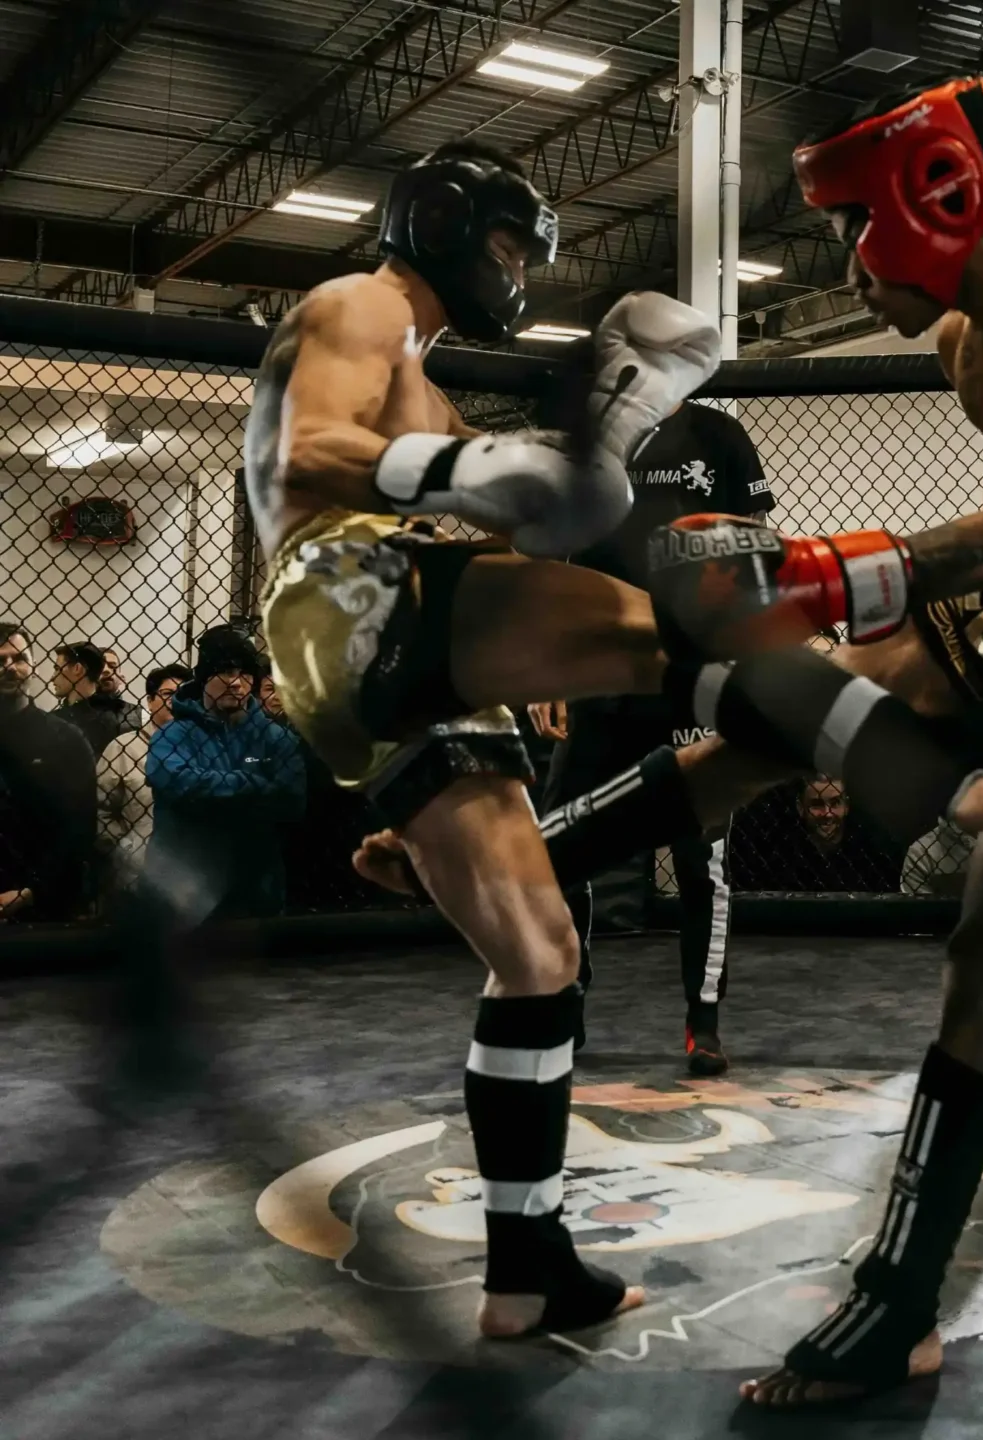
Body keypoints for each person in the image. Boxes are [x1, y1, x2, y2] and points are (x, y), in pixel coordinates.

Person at [633, 74, 983, 1408]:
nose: (844, 259)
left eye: (847, 224)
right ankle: (545, 857)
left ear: (935, 194)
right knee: (779, 719)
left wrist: (796, 573)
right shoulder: (960, 345)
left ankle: (899, 1308)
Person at [242, 136, 720, 1338]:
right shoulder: (361, 303)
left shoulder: (433, 376)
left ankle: (527, 1270)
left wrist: (549, 479)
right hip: (351, 593)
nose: (515, 269)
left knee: (540, 949)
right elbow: (309, 454)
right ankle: (914, 717)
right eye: (505, 243)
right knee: (678, 639)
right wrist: (494, 463)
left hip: (397, 656)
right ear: (446, 223)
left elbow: (487, 529)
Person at [530, 393, 776, 1072]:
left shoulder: (718, 435)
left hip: (693, 675)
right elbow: (556, 569)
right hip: (602, 674)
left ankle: (704, 1021)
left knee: (704, 859)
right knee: (558, 844)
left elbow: (758, 548)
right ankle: (561, 1002)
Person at [146, 629, 306, 918]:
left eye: (245, 673)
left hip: (254, 889)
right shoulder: (173, 735)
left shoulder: (276, 737)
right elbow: (176, 782)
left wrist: (211, 793)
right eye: (224, 671)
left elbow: (291, 799)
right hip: (183, 890)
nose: (235, 682)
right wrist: (251, 783)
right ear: (205, 677)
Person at [0, 623, 96, 921]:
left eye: (19, 659)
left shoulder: (65, 738)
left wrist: (30, 892)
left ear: (34, 667)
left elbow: (80, 825)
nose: (9, 667)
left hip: (45, 903)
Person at [98, 663, 191, 892]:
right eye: (168, 694)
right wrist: (127, 846)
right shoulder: (123, 747)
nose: (175, 701)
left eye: (184, 695)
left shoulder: (202, 746)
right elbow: (99, 809)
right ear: (150, 701)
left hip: (195, 872)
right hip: (138, 875)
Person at [730, 775, 904, 892]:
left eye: (835, 803)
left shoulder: (871, 848)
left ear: (847, 806)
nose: (827, 814)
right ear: (800, 808)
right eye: (817, 805)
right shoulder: (780, 851)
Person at [49, 641, 128, 757]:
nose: (52, 677)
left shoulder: (110, 721)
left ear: (77, 668)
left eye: (57, 668)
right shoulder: (113, 718)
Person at [97, 646, 143, 736]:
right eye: (99, 666)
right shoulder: (74, 712)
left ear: (122, 678)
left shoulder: (140, 714)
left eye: (112, 666)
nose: (106, 670)